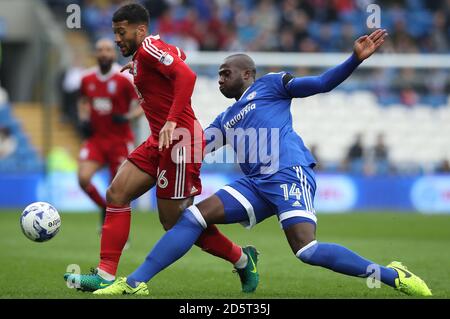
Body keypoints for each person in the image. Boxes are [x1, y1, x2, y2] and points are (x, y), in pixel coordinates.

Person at [95, 29, 431, 297]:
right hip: (254, 184)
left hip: (288, 171)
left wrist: (353, 60)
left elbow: (321, 84)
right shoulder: (225, 118)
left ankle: (391, 275)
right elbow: (194, 145)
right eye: (220, 74)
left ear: (247, 73)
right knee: (194, 217)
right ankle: (135, 282)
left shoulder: (271, 85)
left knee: (306, 250)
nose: (221, 78)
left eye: (227, 73)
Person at [65, 3, 258, 293]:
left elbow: (187, 76)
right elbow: (179, 55)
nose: (117, 39)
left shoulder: (150, 49)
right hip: (159, 139)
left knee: (176, 223)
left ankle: (243, 259)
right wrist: (142, 68)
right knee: (117, 193)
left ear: (140, 30)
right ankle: (105, 274)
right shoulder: (148, 51)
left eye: (121, 32)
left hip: (180, 140)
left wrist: (170, 121)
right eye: (115, 32)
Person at [76, 38, 142, 230]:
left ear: (113, 54)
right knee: (83, 178)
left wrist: (128, 117)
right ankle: (104, 208)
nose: (104, 53)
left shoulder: (124, 78)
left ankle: (120, 231)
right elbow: (82, 101)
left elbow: (143, 104)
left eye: (107, 50)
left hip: (120, 141)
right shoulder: (86, 78)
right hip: (96, 139)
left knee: (119, 190)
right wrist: (84, 118)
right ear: (96, 54)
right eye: (100, 50)